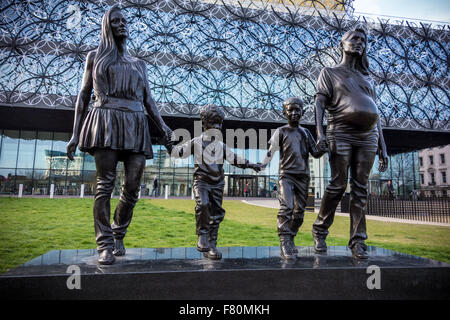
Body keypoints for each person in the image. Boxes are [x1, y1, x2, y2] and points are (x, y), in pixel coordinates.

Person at [66, 5, 172, 265]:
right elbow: (83, 96)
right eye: (116, 21)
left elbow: (149, 100)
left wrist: (164, 127)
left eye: (125, 21)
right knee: (105, 186)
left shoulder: (139, 64)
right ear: (107, 26)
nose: (123, 24)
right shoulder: (95, 57)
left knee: (133, 187)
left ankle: (118, 232)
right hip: (105, 119)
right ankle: (104, 244)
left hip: (136, 122)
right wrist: (75, 133)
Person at [312, 28, 388, 259]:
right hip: (341, 132)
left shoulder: (367, 78)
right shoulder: (329, 72)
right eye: (354, 39)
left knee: (360, 189)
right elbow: (319, 104)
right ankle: (320, 229)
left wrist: (383, 147)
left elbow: (377, 115)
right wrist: (320, 133)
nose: (359, 43)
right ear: (342, 43)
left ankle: (357, 241)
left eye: (363, 40)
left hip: (368, 137)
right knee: (337, 184)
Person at [166, 104, 261, 260]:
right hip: (201, 182)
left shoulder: (221, 146)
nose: (216, 127)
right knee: (203, 204)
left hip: (217, 184)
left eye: (219, 123)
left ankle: (212, 246)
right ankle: (202, 235)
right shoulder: (196, 142)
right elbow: (178, 153)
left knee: (216, 215)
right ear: (204, 123)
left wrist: (251, 164)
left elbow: (235, 159)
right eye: (212, 123)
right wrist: (168, 141)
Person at [260, 97, 325, 260]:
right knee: (286, 208)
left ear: (302, 112)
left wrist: (325, 146)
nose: (294, 113)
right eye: (291, 110)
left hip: (303, 177)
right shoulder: (281, 131)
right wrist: (262, 165)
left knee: (299, 214)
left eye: (298, 110)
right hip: (286, 176)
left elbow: (315, 153)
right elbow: (271, 151)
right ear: (284, 112)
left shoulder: (305, 133)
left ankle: (291, 235)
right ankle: (285, 241)